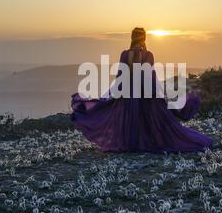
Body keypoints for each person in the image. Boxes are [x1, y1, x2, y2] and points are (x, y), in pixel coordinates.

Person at [71, 27, 213, 153]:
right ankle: (145, 141)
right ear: (144, 38)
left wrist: (112, 95)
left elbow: (120, 77)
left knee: (129, 117)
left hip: (127, 95)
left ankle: (132, 143)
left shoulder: (125, 55)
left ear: (132, 38)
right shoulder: (148, 55)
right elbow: (150, 77)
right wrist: (159, 95)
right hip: (146, 94)